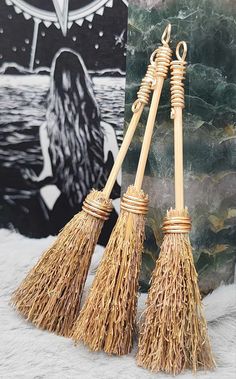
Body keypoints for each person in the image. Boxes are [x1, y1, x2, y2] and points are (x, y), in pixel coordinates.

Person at [23, 48, 120, 239]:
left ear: (55, 87)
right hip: (99, 216)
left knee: (40, 196)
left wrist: (36, 183)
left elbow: (48, 175)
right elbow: (118, 183)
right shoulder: (106, 131)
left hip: (65, 217)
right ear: (84, 84)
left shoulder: (47, 131)